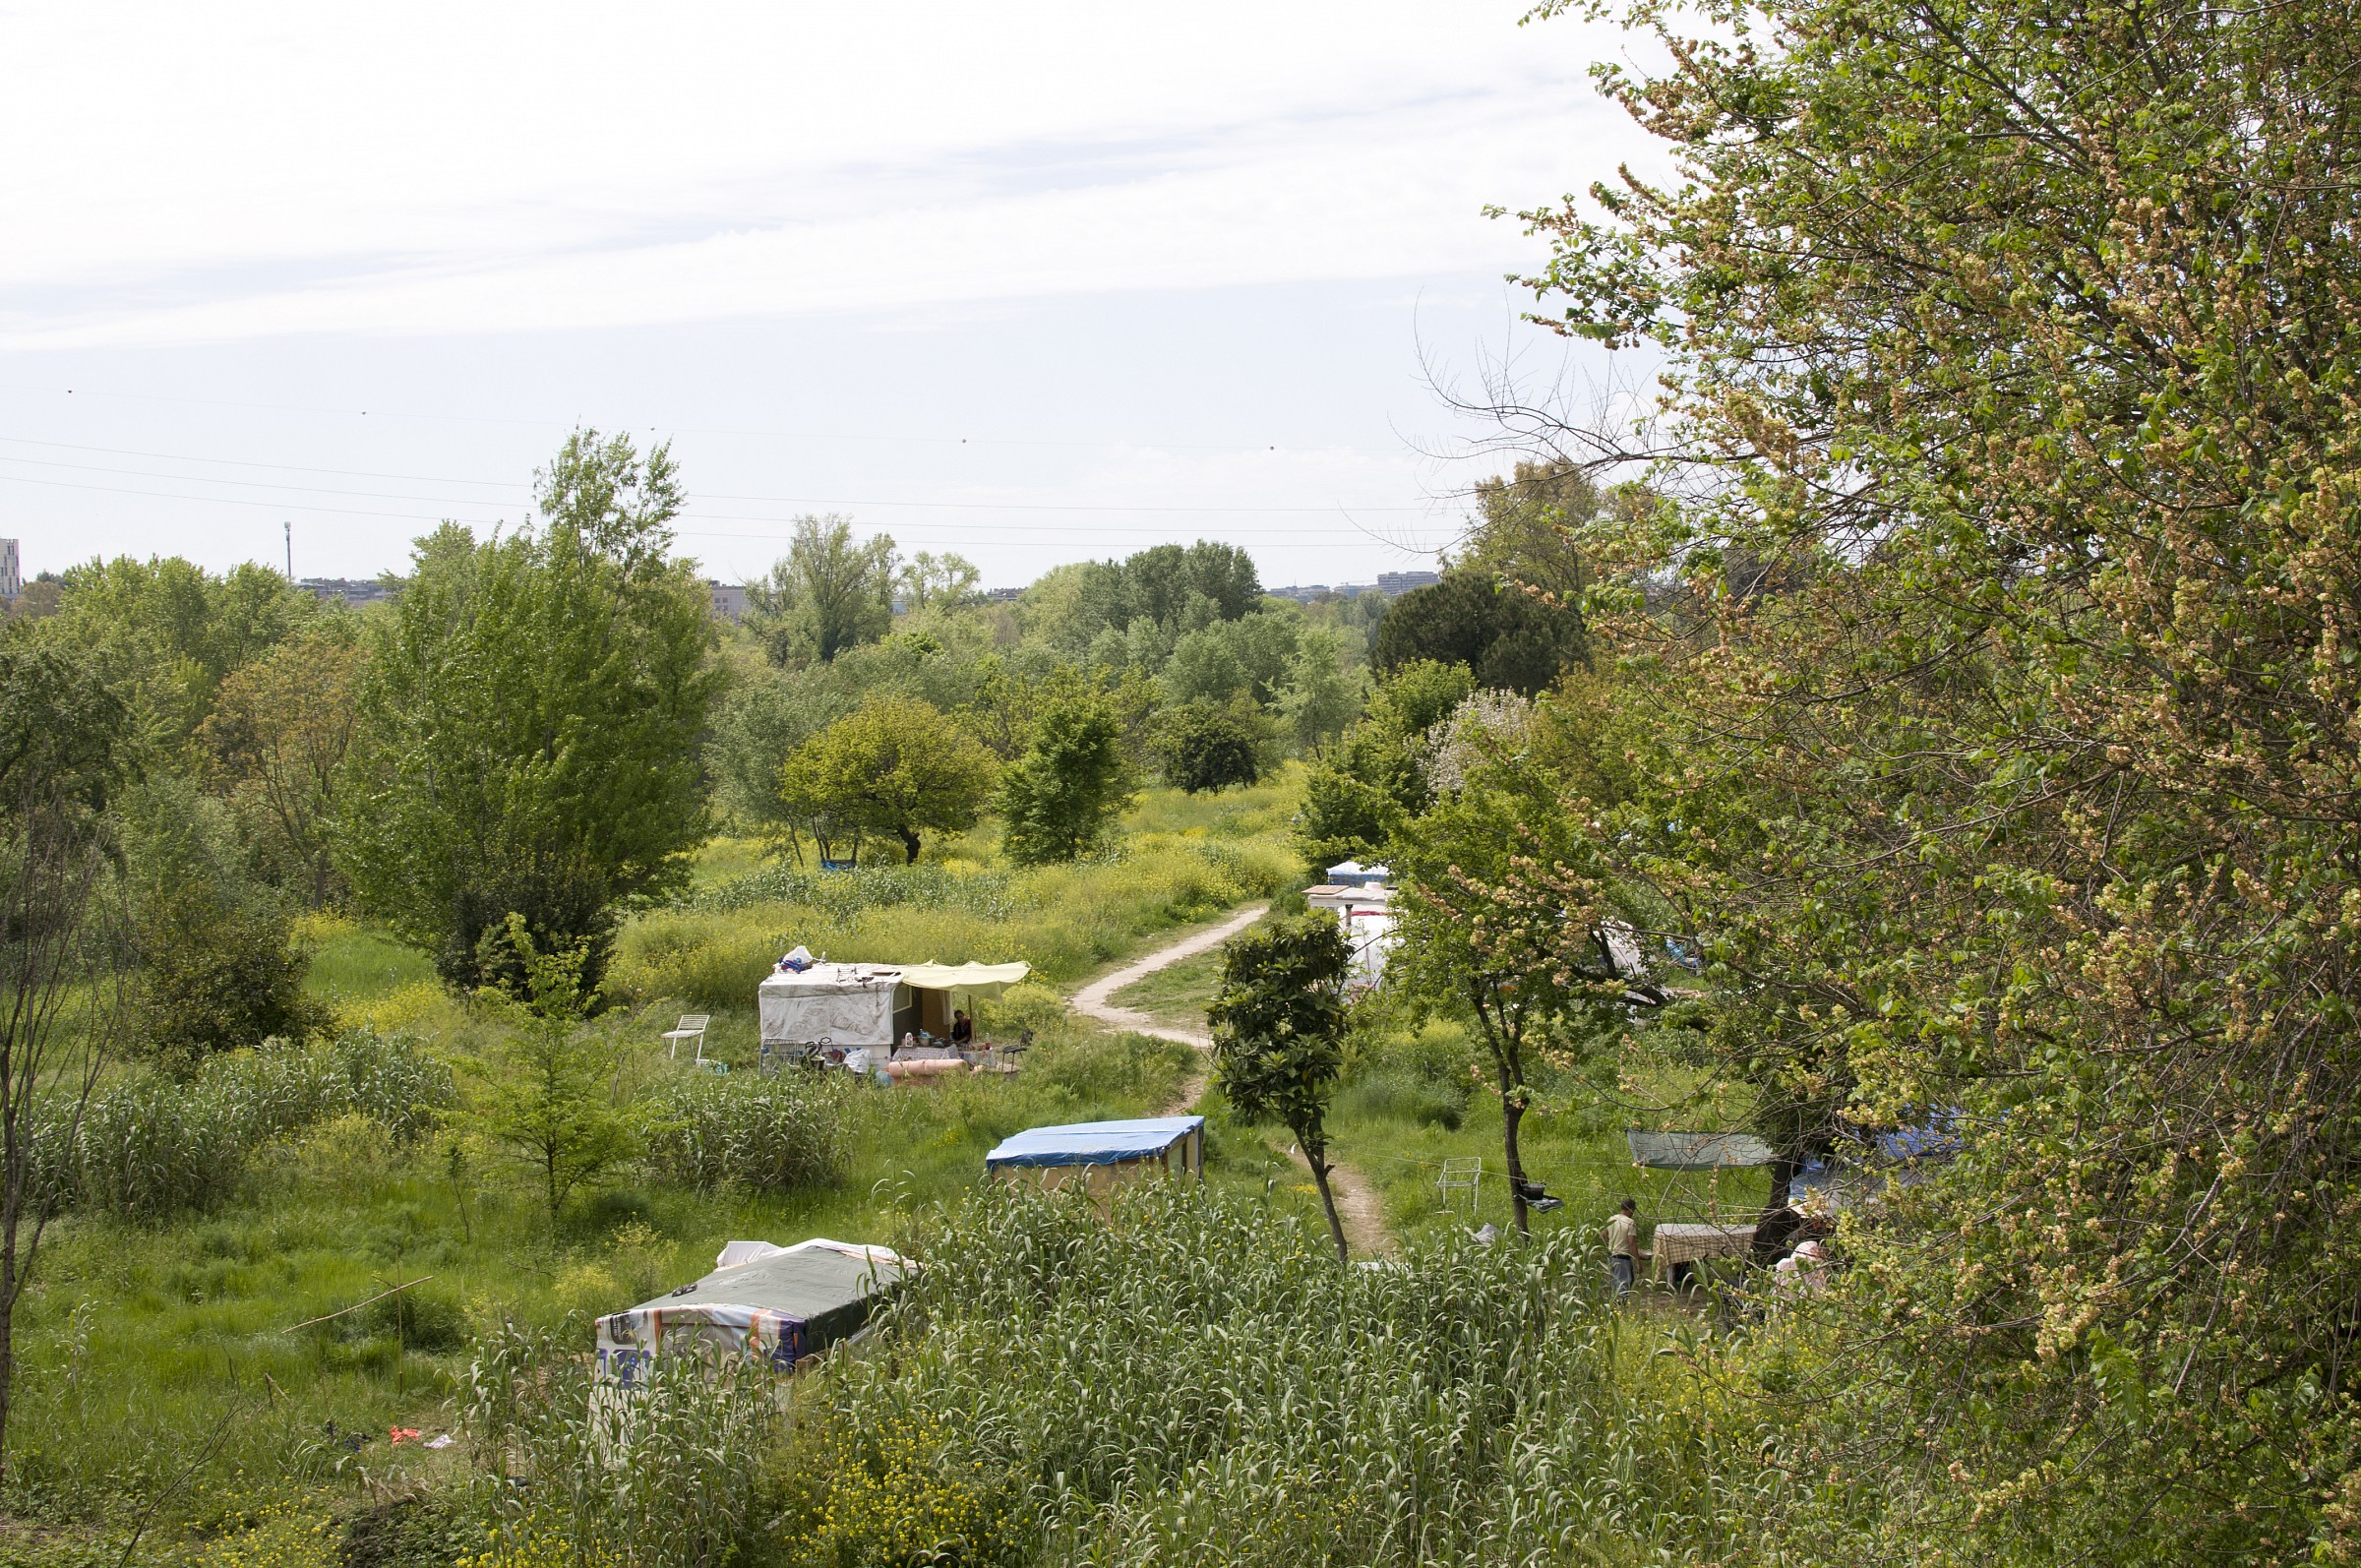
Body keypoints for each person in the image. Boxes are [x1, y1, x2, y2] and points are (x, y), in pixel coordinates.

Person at [1604, 1198, 1639, 1299]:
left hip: (1611, 1256)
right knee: (1624, 1283)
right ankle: (1621, 1307)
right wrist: (1637, 1262)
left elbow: (1603, 1235)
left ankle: (1614, 1306)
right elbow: (1632, 1243)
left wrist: (1610, 1243)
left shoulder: (1612, 1219)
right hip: (1622, 1257)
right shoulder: (1630, 1222)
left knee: (1614, 1282)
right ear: (1631, 1209)